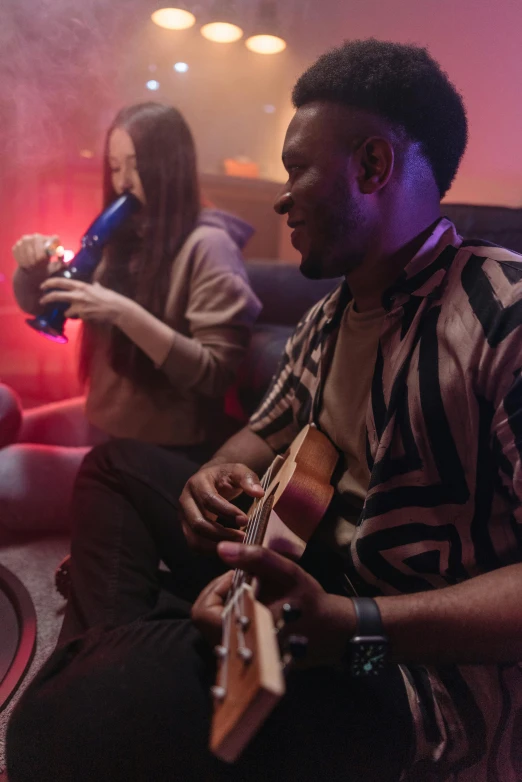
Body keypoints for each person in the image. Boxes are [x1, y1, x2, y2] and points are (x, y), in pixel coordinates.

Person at [6, 38, 522, 782]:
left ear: (372, 167)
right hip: (301, 579)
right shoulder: (330, 316)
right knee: (117, 467)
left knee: (48, 726)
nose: (281, 198)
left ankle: (113, 659)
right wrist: (213, 477)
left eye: (295, 169)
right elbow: (263, 431)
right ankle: (118, 658)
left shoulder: (502, 312)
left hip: (411, 675)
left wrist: (352, 624)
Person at [0, 101, 261, 530]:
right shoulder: (123, 236)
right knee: (4, 408)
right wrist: (31, 271)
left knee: (9, 470)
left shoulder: (209, 247)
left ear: (170, 167)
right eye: (115, 167)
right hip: (102, 420)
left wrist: (124, 313)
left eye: (135, 167)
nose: (122, 182)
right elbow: (47, 305)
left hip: (160, 450)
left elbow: (216, 374)